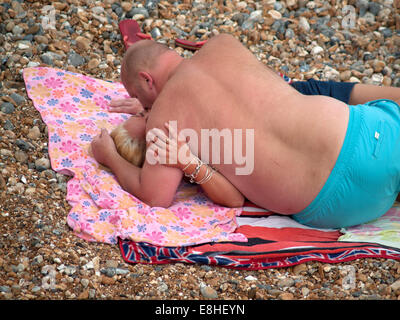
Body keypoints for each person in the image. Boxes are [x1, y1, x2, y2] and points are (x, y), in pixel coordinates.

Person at [92, 34, 400, 229]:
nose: (145, 106)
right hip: (371, 131)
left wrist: (110, 157)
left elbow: (155, 196)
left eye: (140, 97)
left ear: (147, 80)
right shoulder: (224, 44)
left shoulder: (164, 120)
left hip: (341, 204)